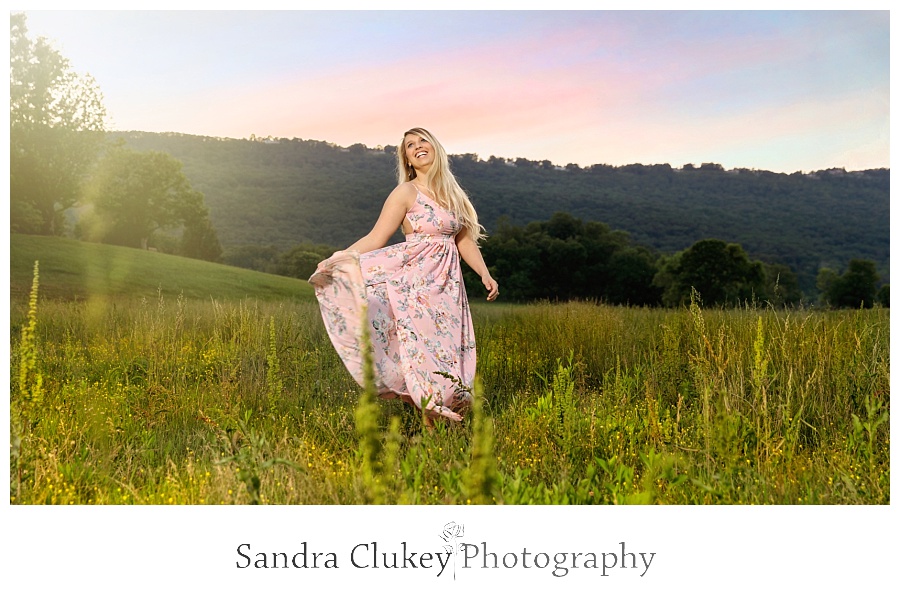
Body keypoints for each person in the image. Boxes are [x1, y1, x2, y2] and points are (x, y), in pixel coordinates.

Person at [309, 127, 498, 425]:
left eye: (423, 140)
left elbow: (463, 240)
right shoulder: (406, 192)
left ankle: (440, 427)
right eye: (410, 145)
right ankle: (432, 429)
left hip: (447, 288)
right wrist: (339, 259)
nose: (418, 147)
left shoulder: (453, 194)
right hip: (413, 285)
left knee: (446, 355)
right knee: (423, 355)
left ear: (435, 147)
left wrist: (485, 274)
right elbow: (376, 237)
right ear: (407, 159)